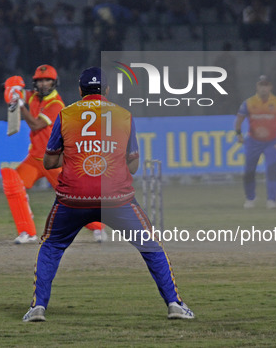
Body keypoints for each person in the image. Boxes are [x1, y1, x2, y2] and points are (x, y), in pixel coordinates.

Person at [22, 67, 194, 322]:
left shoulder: (66, 114)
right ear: (108, 90)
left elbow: (48, 162)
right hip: (116, 199)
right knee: (150, 246)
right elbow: (134, 165)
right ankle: (174, 304)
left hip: (74, 198)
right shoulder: (124, 115)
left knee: (52, 246)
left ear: (80, 91)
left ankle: (38, 308)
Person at [1, 65, 106, 244]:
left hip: (53, 160)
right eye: (40, 81)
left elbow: (35, 125)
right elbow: (16, 94)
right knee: (12, 179)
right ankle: (27, 231)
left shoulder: (56, 104)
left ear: (54, 82)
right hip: (34, 159)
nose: (43, 84)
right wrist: (13, 89)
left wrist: (20, 106)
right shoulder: (33, 96)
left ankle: (97, 227)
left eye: (47, 80)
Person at [234, 75, 276, 209]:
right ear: (257, 86)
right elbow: (239, 119)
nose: (263, 88)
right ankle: (250, 198)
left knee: (271, 169)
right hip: (253, 141)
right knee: (249, 170)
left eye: (266, 85)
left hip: (272, 141)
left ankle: (271, 200)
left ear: (270, 87)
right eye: (261, 85)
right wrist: (238, 133)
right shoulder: (249, 103)